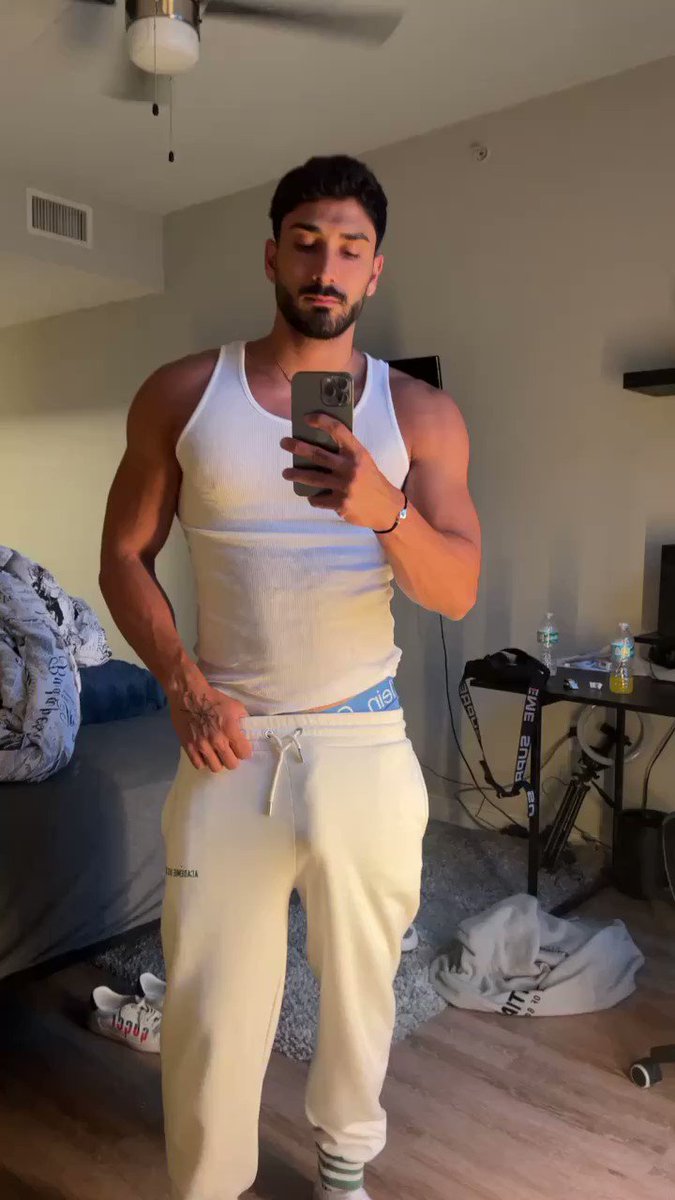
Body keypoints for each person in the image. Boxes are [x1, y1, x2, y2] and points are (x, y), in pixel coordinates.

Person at [99, 154, 481, 1200]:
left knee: (362, 984)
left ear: (375, 271)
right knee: (210, 998)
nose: (327, 265)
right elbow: (123, 555)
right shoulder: (184, 392)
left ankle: (345, 1159)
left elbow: (455, 590)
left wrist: (383, 508)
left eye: (350, 249)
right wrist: (181, 685)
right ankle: (206, 1187)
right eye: (307, 242)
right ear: (272, 255)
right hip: (225, 739)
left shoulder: (421, 416)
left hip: (363, 739)